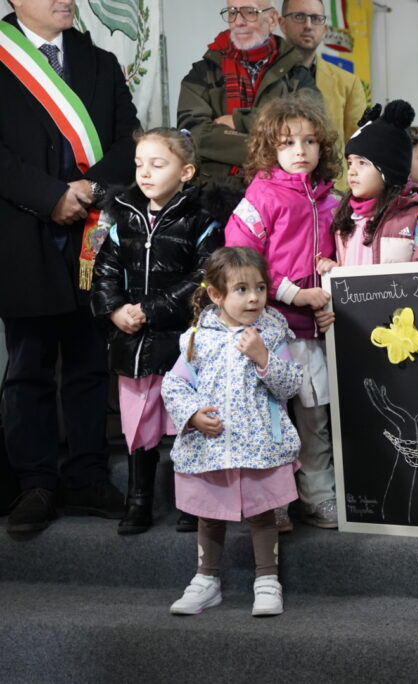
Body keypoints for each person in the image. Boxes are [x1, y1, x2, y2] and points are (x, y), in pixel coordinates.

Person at [1, 0, 139, 535]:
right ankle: (34, 481)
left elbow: (129, 139)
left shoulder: (99, 61)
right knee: (28, 365)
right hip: (20, 231)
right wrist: (48, 196)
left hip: (93, 230)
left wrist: (88, 190)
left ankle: (86, 474)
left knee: (87, 360)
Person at [91, 128, 230, 535]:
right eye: (139, 164)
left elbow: (204, 277)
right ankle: (139, 501)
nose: (145, 173)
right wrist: (115, 311)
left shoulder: (201, 220)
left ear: (186, 171)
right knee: (138, 425)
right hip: (132, 342)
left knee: (185, 420)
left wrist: (150, 310)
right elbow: (105, 271)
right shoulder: (121, 216)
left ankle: (192, 502)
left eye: (157, 164)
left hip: (181, 344)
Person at [162, 246, 303, 617]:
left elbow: (290, 385)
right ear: (216, 294)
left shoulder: (271, 333)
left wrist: (263, 357)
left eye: (260, 287)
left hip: (260, 443)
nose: (254, 297)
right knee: (209, 513)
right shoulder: (198, 336)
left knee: (262, 512)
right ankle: (206, 581)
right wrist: (192, 415)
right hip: (212, 445)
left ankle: (267, 580)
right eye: (241, 289)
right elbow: (174, 386)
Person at [224, 93, 341, 531]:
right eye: (288, 142)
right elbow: (240, 262)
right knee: (271, 418)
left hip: (313, 333)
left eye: (310, 142)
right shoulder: (260, 197)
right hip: (268, 332)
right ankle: (273, 500)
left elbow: (341, 260)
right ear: (269, 148)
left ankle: (318, 495)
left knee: (315, 419)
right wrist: (293, 294)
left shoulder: (332, 201)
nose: (300, 151)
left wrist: (332, 287)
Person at [177, 0, 319, 188]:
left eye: (250, 12)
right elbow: (193, 135)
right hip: (212, 192)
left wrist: (239, 120)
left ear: (273, 19)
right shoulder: (203, 72)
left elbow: (310, 128)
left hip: (282, 193)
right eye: (232, 12)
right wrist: (275, 146)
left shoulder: (297, 75)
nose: (238, 21)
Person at [325, 101, 418, 266]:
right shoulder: (345, 219)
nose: (352, 171)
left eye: (362, 163)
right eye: (350, 163)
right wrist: (334, 268)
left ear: (388, 170)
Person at [278, 0, 367, 191]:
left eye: (316, 18)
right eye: (299, 17)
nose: (308, 25)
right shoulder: (265, 77)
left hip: (333, 193)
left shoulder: (347, 83)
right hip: (276, 192)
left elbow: (358, 148)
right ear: (282, 24)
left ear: (324, 28)